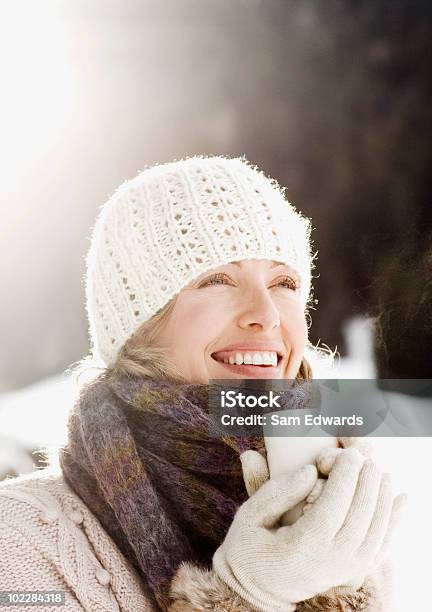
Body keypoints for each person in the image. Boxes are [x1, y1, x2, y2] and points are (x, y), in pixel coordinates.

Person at [0, 156, 406, 611]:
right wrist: (243, 598)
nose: (267, 314)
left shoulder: (345, 535)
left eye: (284, 282)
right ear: (139, 326)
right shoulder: (19, 538)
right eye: (218, 279)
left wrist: (337, 593)